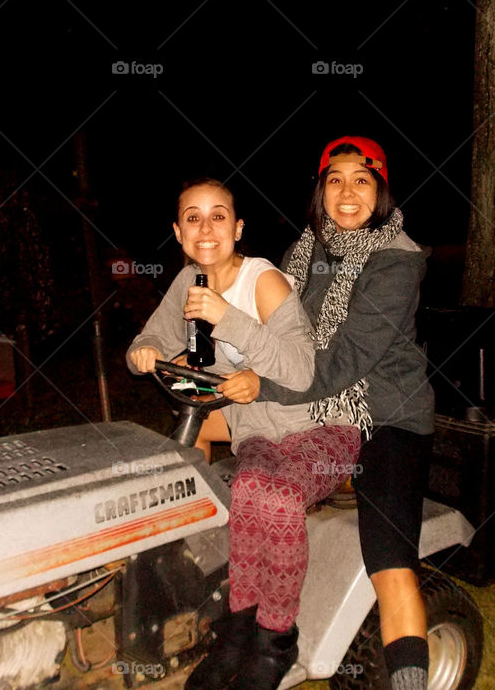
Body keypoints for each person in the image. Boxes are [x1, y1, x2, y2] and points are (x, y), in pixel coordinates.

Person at [126, 178, 359, 690]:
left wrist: (228, 319)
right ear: (178, 231)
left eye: (217, 216)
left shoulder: (263, 282)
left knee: (275, 500)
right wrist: (144, 351)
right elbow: (151, 337)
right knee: (248, 491)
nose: (205, 228)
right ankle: (237, 631)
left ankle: (276, 641)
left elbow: (301, 370)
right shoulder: (188, 282)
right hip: (257, 435)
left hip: (322, 427)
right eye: (192, 217)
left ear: (237, 227)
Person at [253, 138, 435, 690]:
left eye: (362, 178)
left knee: (389, 561)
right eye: (335, 179)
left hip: (385, 417)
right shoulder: (304, 252)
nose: (348, 191)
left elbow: (345, 361)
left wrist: (260, 387)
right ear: (320, 190)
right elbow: (276, 332)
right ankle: (251, 633)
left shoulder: (396, 260)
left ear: (380, 189)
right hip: (321, 411)